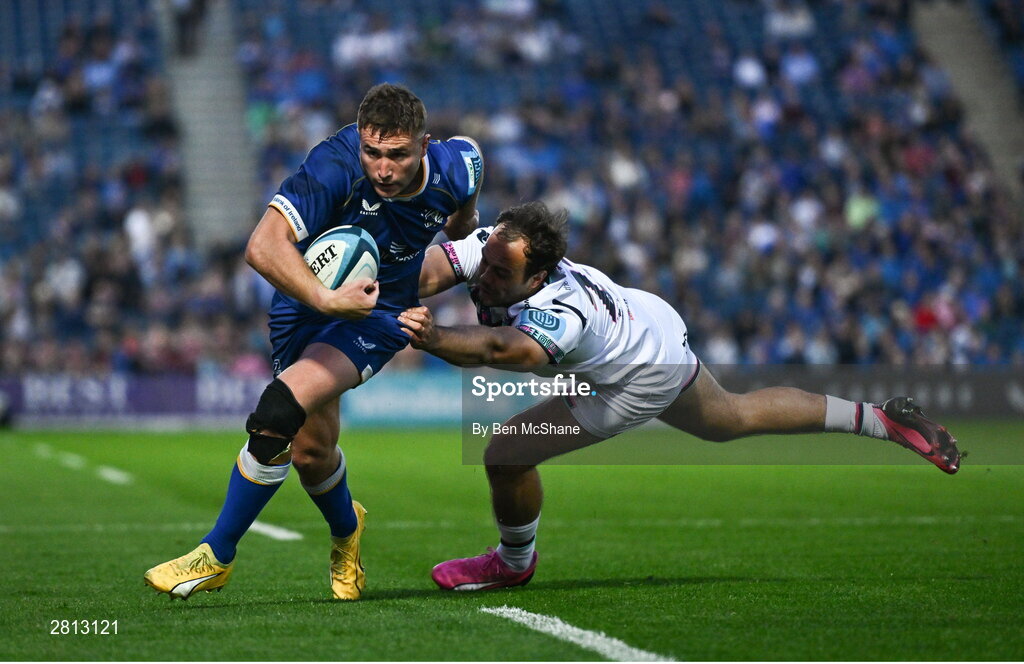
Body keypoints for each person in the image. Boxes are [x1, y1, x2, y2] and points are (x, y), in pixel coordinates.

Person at [397, 201, 962, 591]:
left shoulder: (563, 311)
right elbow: (429, 271)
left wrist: (435, 336)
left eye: (503, 273)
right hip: (648, 320)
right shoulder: (497, 243)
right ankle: (880, 419)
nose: (487, 277)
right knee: (731, 417)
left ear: (541, 275)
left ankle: (513, 564)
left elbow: (505, 352)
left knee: (508, 450)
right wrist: (377, 287)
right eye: (488, 263)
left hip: (636, 373)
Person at [144, 83, 483, 600]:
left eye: (398, 155)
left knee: (278, 411)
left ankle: (216, 554)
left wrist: (464, 220)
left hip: (377, 315)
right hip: (305, 303)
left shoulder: (456, 166)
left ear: (425, 145)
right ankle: (348, 530)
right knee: (311, 453)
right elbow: (262, 247)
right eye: (373, 153)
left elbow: (469, 180)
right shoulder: (335, 166)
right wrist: (326, 300)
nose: (383, 169)